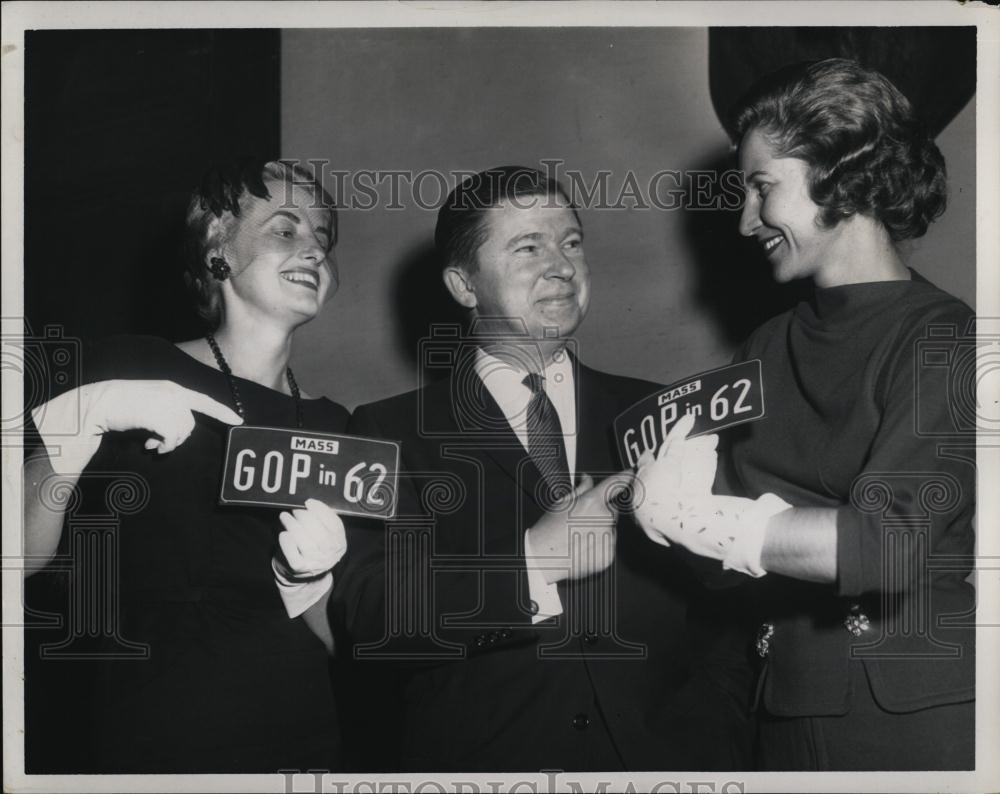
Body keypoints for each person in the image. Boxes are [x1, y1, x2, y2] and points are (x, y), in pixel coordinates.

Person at [330, 165, 754, 772]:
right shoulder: (388, 430)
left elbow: (723, 604)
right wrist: (535, 561)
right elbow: (372, 617)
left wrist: (722, 733)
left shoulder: (664, 413)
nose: (561, 265)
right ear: (463, 285)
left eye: (572, 242)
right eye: (528, 247)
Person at [632, 59, 975, 770]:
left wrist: (710, 521)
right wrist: (663, 511)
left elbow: (888, 544)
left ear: (841, 175)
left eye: (762, 189)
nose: (745, 219)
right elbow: (723, 569)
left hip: (910, 720)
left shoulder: (942, 336)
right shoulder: (766, 345)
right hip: (783, 708)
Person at [23, 159, 349, 773]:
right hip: (157, 739)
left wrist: (312, 584)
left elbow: (340, 644)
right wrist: (80, 421)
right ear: (217, 250)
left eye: (323, 238)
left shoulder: (338, 426)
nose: (314, 249)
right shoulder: (129, 365)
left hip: (304, 743)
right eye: (286, 229)